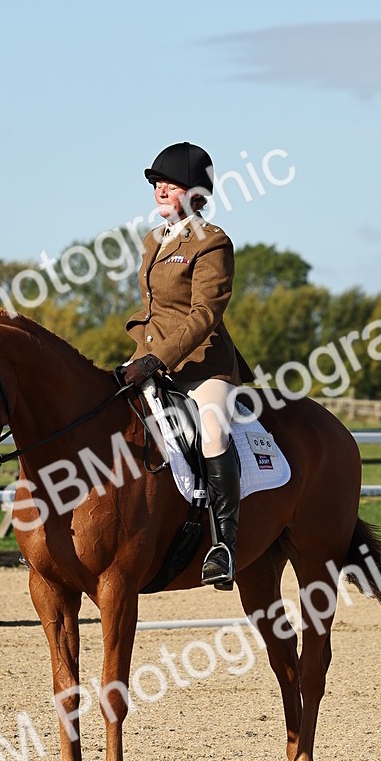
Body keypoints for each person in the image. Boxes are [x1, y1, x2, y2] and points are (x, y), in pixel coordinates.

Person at [123, 141, 254, 589]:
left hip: (202, 364)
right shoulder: (152, 240)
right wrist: (143, 354)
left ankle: (223, 546)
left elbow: (204, 315)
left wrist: (160, 357)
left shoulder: (213, 241)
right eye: (157, 182)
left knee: (214, 430)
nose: (160, 188)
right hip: (150, 358)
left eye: (170, 182)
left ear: (195, 192)